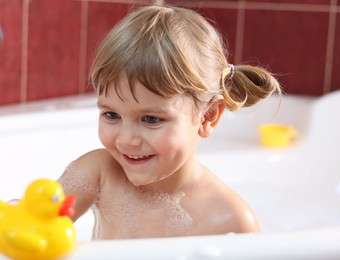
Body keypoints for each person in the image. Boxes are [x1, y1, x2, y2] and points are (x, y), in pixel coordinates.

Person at [58, 4, 280, 240]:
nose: (126, 139)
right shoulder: (98, 173)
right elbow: (34, 216)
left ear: (208, 116)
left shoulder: (230, 220)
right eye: (111, 115)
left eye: (151, 119)